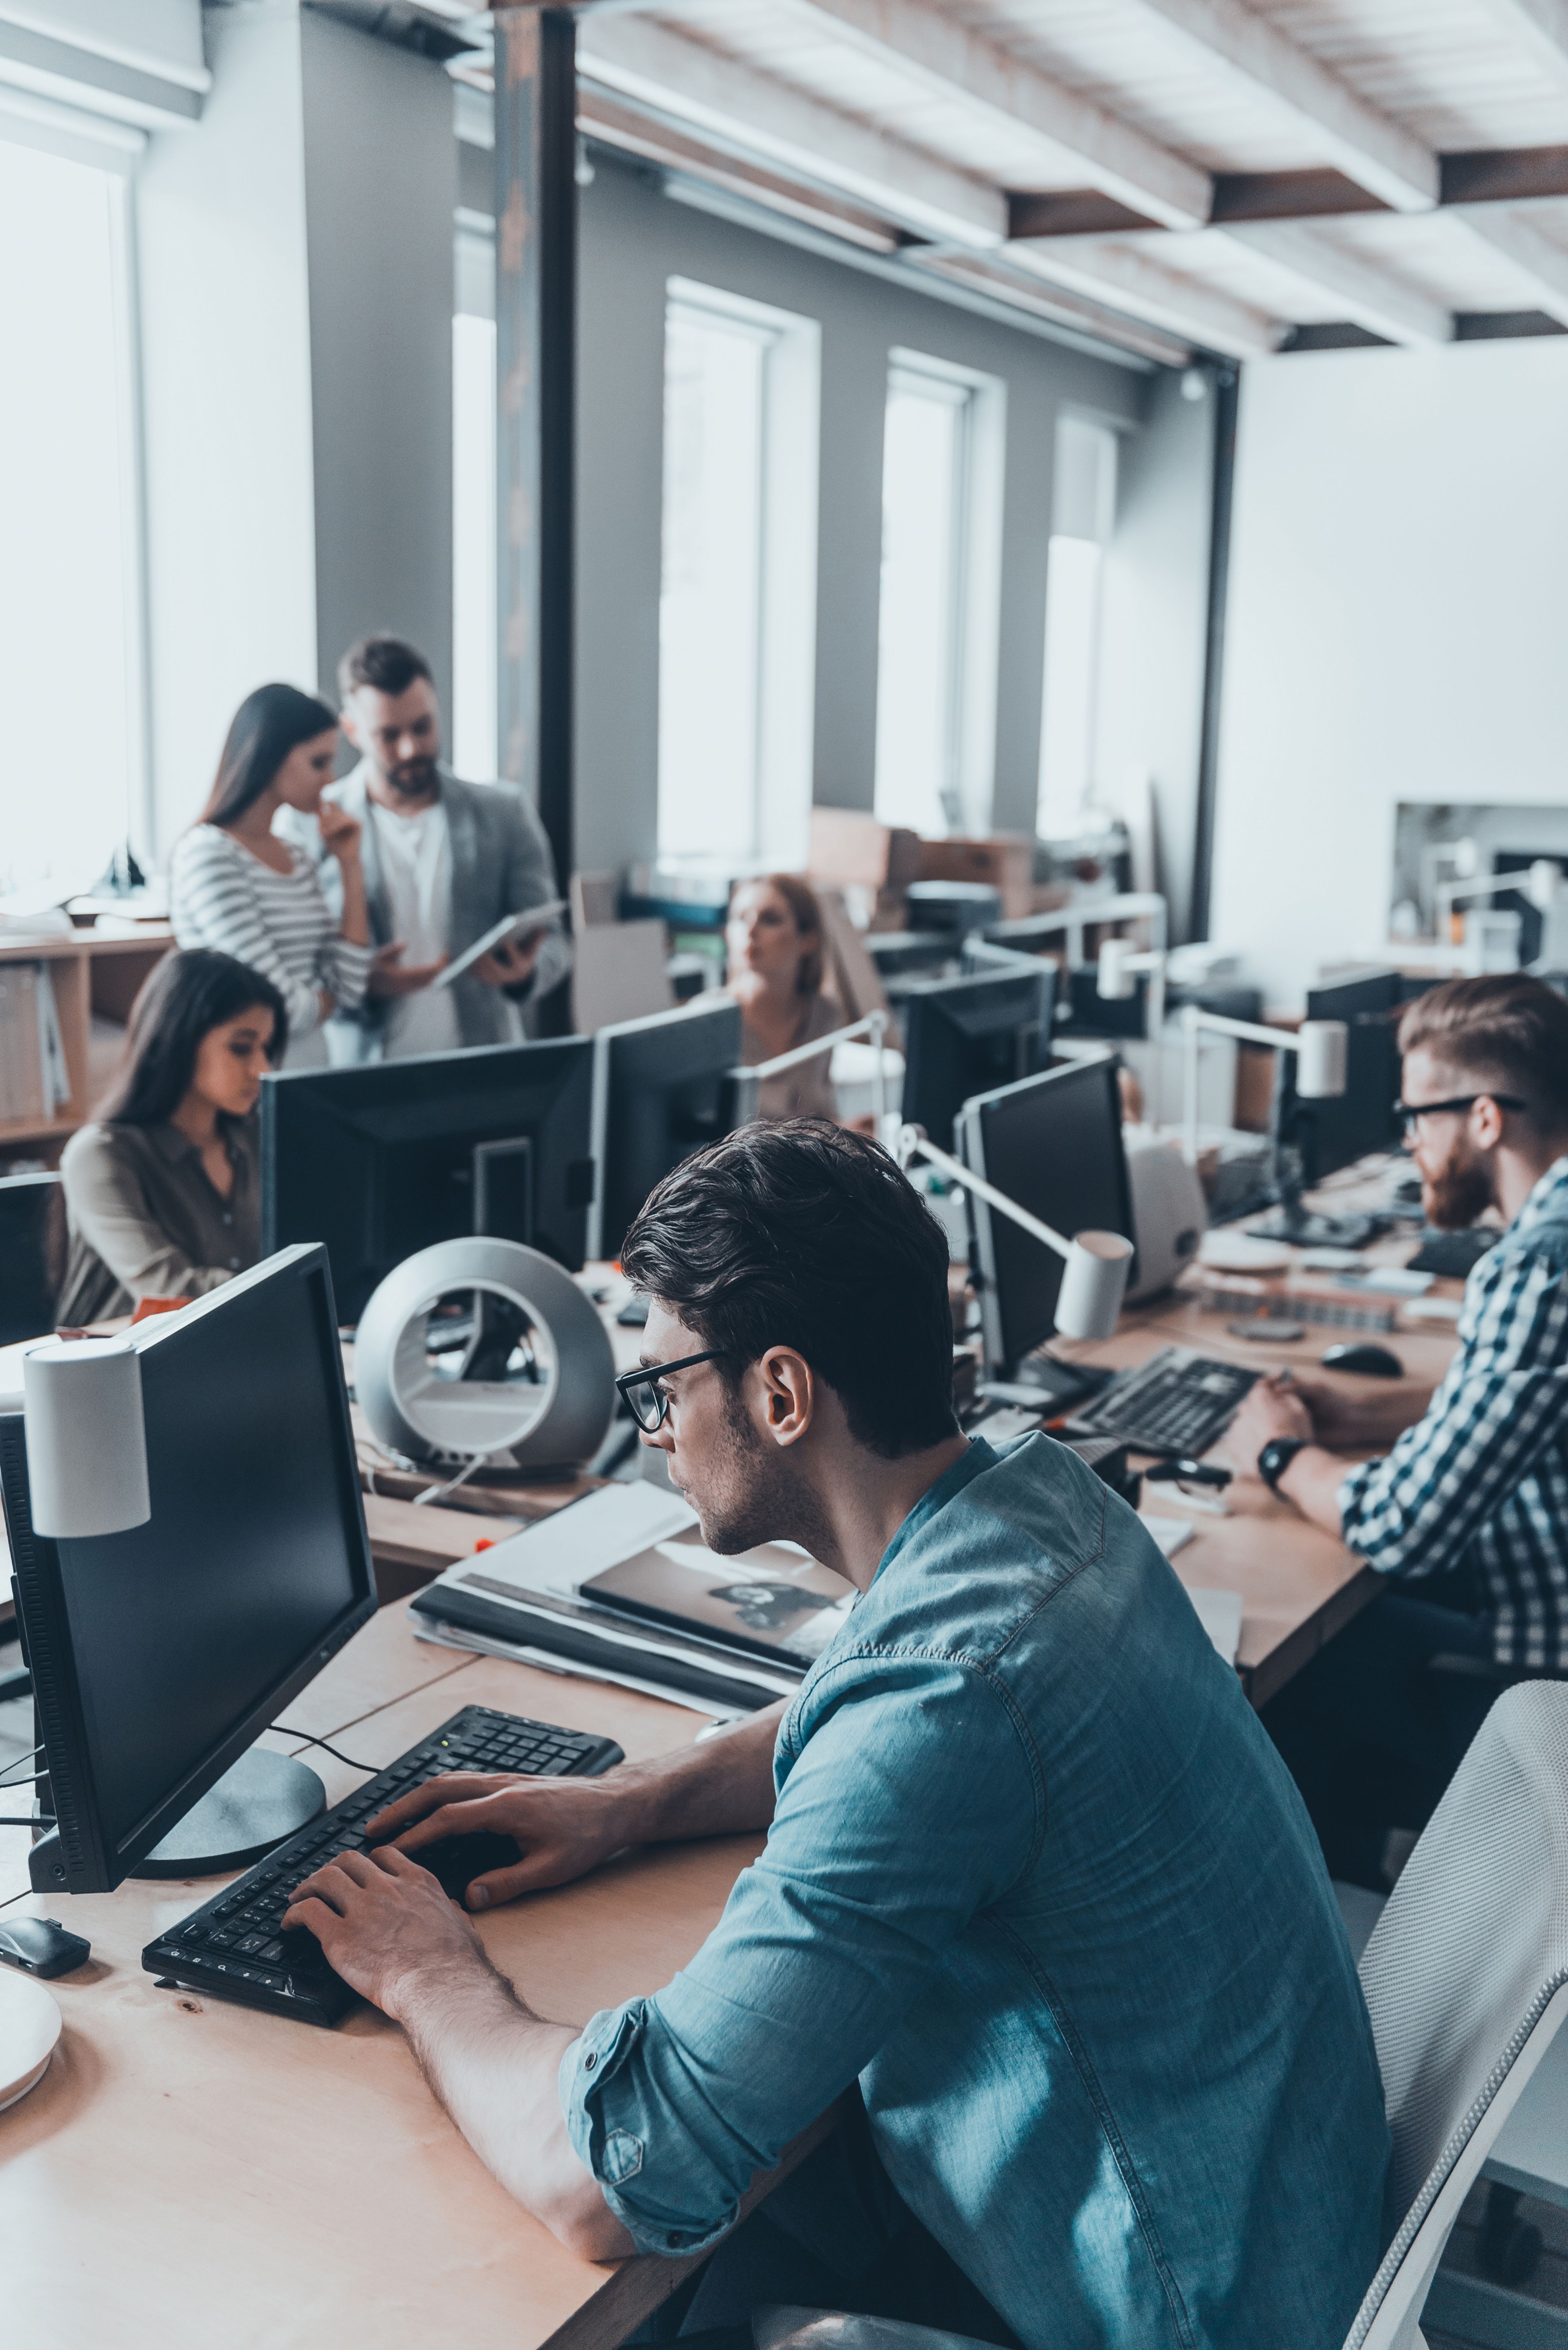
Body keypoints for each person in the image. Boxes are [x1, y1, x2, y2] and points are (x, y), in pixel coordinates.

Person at [283, 1122, 1388, 2350]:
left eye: (660, 1390)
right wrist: (637, 1797)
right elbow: (895, 1703)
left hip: (1176, 2311)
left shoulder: (946, 1696)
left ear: (781, 1391)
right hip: (1274, 2227)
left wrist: (427, 1969)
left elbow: (606, 2176)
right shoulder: (1051, 1502)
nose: (652, 1429)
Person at [1223, 973, 1568, 1887]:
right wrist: (1368, 1413)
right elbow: (1530, 1405)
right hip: (1534, 1596)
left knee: (1280, 1682)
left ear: (1486, 1118)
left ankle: (1358, 1960)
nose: (1409, 1141)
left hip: (1546, 1685)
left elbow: (1402, 1526)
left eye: (1418, 1114)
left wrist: (1280, 1451)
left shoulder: (1540, 1263)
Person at [279, 634, 571, 1061]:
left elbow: (556, 945)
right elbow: (298, 970)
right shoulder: (308, 826)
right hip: (363, 1075)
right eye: (389, 735)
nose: (411, 748)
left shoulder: (505, 813)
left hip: (481, 1068)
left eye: (423, 727)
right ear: (352, 730)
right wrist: (360, 981)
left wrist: (523, 974)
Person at [56, 950, 287, 1326]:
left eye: (266, 1047)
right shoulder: (100, 1155)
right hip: (121, 1371)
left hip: (233, 1346)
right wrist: (295, 1287)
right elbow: (171, 1290)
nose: (263, 1069)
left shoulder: (259, 1140)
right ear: (179, 1038)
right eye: (242, 1047)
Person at [169, 684, 377, 1069]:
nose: (329, 779)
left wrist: (350, 864)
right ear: (270, 755)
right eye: (319, 763)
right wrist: (323, 1000)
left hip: (311, 1072)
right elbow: (271, 1004)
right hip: (245, 1081)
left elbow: (350, 987)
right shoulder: (208, 854)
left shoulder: (297, 855)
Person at [728, 875, 843, 1121]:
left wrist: (849, 1135)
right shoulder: (707, 1022)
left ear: (808, 940)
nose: (750, 930)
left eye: (769, 919)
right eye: (740, 918)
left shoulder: (824, 1017)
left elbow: (820, 1115)